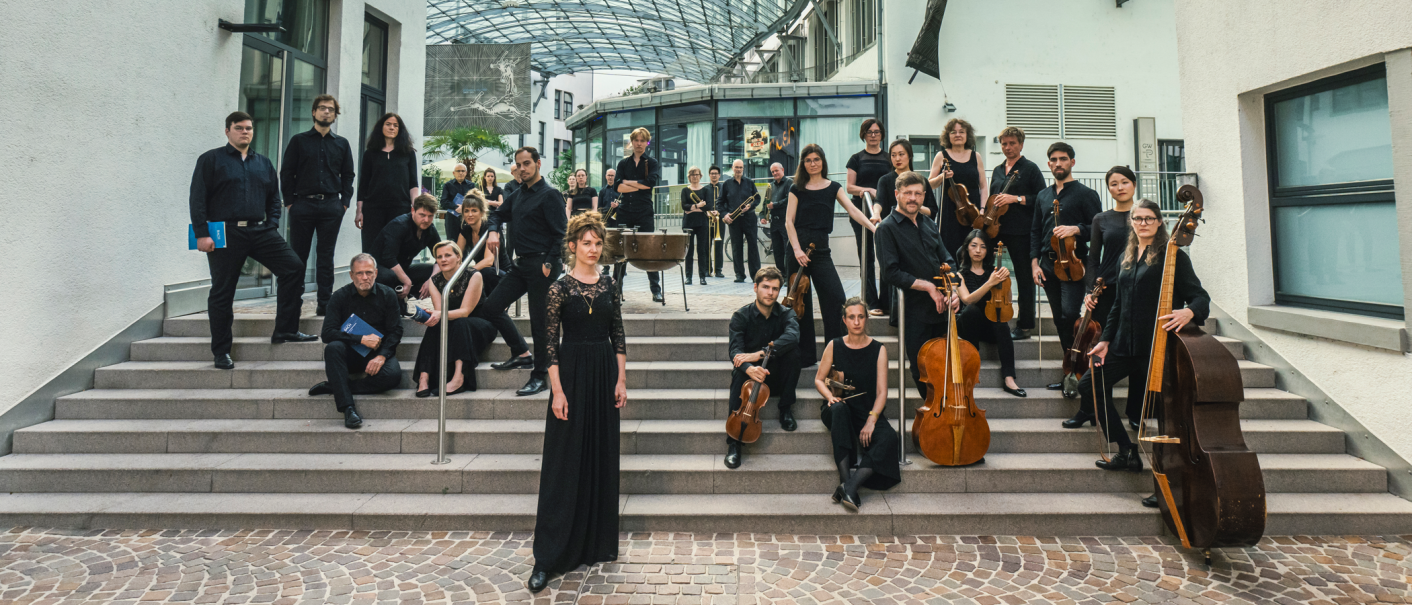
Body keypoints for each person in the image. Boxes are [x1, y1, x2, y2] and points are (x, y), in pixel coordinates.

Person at [526, 211, 627, 593]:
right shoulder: (560, 289)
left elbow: (618, 334)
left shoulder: (609, 285)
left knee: (600, 454)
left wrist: (621, 380)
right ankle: (546, 557)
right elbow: (548, 344)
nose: (593, 249)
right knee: (563, 462)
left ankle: (594, 543)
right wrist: (557, 390)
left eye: (598, 243)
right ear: (572, 246)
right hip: (569, 373)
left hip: (603, 372)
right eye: (586, 242)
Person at [1082, 200, 1210, 498]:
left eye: (1148, 218)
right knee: (1090, 385)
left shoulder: (1172, 254)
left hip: (1159, 347)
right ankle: (1126, 451)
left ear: (1158, 222)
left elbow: (1199, 296)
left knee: (1165, 416)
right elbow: (1117, 304)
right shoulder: (1127, 256)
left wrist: (1189, 312)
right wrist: (1105, 340)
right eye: (1137, 218)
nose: (1142, 223)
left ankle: (1168, 484)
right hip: (1125, 345)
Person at [190, 111, 314, 370]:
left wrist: (271, 224)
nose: (245, 132)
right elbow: (198, 198)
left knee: (293, 267)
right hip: (225, 232)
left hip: (260, 231)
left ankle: (286, 330)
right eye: (239, 128)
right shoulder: (211, 160)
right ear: (227, 131)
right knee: (223, 291)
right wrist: (202, 234)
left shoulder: (264, 163)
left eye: (248, 128)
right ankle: (221, 351)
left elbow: (273, 198)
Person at [483, 147, 568, 397]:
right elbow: (496, 215)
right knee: (491, 307)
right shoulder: (518, 194)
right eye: (519, 164)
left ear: (538, 164)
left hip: (542, 265)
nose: (522, 168)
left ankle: (540, 375)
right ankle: (521, 352)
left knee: (540, 323)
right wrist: (493, 231)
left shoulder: (550, 194)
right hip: (521, 265)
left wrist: (550, 264)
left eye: (527, 163)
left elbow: (561, 235)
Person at [785, 144, 876, 369]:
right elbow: (789, 221)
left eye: (817, 159)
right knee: (800, 305)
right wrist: (796, 250)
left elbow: (853, 211)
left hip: (821, 250)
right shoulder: (796, 188)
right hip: (797, 250)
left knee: (836, 299)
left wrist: (874, 228)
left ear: (823, 162)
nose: (813, 163)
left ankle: (833, 353)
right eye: (808, 160)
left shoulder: (833, 187)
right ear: (803, 164)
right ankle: (806, 356)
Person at [1064, 169, 1139, 430]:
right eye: (1114, 184)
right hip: (1106, 291)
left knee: (1136, 353)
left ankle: (1136, 413)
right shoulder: (1101, 218)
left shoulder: (1144, 215)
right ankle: (1088, 409)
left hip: (1136, 291)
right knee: (1095, 352)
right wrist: (1088, 292)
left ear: (1134, 185)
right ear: (1108, 189)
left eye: (1125, 182)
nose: (1120, 187)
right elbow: (1093, 259)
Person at [875, 171, 960, 391]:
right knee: (922, 368)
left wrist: (954, 290)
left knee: (946, 365)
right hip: (913, 311)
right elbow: (890, 272)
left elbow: (948, 259)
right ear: (897, 194)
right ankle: (933, 415)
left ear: (924, 197)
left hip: (942, 309)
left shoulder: (929, 223)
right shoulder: (886, 228)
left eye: (918, 194)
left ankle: (948, 412)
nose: (913, 198)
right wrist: (928, 287)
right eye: (907, 193)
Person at [814, 297, 900, 511]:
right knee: (840, 409)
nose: (857, 322)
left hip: (867, 409)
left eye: (861, 316)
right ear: (844, 320)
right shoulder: (834, 345)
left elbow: (882, 392)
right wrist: (829, 397)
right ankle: (846, 480)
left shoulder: (879, 350)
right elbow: (818, 379)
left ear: (866, 319)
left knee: (889, 437)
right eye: (851, 317)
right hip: (837, 408)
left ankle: (849, 486)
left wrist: (872, 420)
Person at [1029, 142, 1102, 392]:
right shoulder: (1043, 195)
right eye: (1053, 159)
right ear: (1049, 164)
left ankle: (1083, 369)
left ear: (1072, 162)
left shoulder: (1086, 194)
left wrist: (1077, 229)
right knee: (1060, 321)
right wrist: (1034, 264)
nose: (1058, 163)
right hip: (1047, 265)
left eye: (1063, 159)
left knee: (1070, 315)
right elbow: (1036, 231)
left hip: (1073, 265)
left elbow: (1098, 228)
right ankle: (1070, 372)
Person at [281, 94, 356, 317]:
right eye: (322, 108)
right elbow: (286, 172)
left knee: (326, 256)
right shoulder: (299, 140)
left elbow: (348, 175)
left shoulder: (342, 144)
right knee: (298, 256)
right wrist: (290, 203)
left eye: (330, 109)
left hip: (332, 206)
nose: (326, 112)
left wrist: (344, 203)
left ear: (335, 115)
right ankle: (295, 300)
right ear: (313, 112)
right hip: (302, 205)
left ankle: (325, 303)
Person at [310, 253, 403, 429]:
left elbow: (395, 331)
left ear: (376, 272)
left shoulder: (388, 294)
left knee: (392, 376)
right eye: (359, 273)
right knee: (332, 348)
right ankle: (348, 409)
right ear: (351, 275)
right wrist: (360, 339)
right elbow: (327, 333)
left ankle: (337, 386)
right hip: (350, 353)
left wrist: (381, 357)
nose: (365, 277)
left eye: (369, 272)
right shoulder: (339, 296)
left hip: (376, 352)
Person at [724, 267, 802, 469]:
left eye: (775, 289)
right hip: (750, 380)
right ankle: (733, 442)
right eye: (765, 287)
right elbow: (735, 352)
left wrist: (760, 354)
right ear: (755, 287)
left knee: (794, 354)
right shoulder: (741, 316)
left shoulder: (786, 313)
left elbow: (793, 337)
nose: (770, 293)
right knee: (738, 371)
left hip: (775, 375)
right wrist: (750, 368)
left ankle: (785, 409)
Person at [454, 189, 533, 370]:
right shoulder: (465, 229)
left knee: (484, 273)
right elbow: (458, 255)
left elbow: (489, 261)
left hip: (502, 276)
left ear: (482, 212)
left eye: (474, 211)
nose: (470, 214)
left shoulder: (489, 229)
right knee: (476, 280)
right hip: (483, 275)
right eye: (466, 211)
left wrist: (465, 272)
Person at [985, 127, 1048, 340]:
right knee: (984, 270)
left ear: (1021, 145)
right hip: (996, 229)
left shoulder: (1030, 168)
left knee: (1023, 278)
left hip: (1021, 231)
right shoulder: (996, 169)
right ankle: (987, 318)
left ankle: (1025, 325)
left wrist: (1016, 198)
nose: (1008, 147)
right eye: (1004, 144)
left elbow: (1041, 198)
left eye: (1012, 143)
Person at [413, 242, 498, 397]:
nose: (443, 260)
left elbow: (465, 312)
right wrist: (429, 316)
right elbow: (440, 312)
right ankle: (424, 377)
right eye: (439, 257)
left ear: (458, 257)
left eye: (448, 255)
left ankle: (459, 378)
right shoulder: (434, 280)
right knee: (434, 325)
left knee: (459, 322)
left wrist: (438, 314)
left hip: (479, 324)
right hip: (454, 324)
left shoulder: (473, 275)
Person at [953, 230, 1026, 397]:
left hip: (989, 328)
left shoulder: (994, 272)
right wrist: (990, 282)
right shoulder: (959, 275)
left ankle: (1009, 378)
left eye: (983, 247)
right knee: (971, 310)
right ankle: (972, 364)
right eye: (974, 246)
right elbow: (967, 300)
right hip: (968, 326)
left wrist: (1004, 282)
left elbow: (1007, 301)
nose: (978, 250)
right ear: (967, 249)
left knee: (1000, 320)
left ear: (987, 251)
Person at [613, 127, 664, 302]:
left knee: (649, 250)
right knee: (621, 251)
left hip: (644, 212)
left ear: (647, 143)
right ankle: (616, 290)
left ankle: (656, 290)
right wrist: (638, 184)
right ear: (632, 142)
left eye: (643, 141)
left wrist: (629, 182)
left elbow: (650, 184)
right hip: (625, 211)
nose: (639, 143)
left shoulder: (652, 162)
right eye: (637, 140)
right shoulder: (623, 164)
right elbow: (617, 187)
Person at [845, 119, 890, 316]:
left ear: (882, 134)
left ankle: (887, 300)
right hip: (861, 211)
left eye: (877, 132)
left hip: (885, 212)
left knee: (887, 256)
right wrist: (868, 190)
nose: (873, 135)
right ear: (863, 134)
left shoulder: (889, 158)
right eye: (869, 132)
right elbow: (849, 187)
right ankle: (872, 301)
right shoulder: (856, 158)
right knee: (867, 256)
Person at [356, 112, 419, 252]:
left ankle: (395, 275)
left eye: (395, 125)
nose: (392, 128)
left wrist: (416, 207)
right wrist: (359, 210)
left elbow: (413, 184)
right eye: (388, 124)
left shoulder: (408, 153)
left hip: (400, 208)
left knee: (396, 248)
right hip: (373, 209)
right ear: (381, 127)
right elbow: (363, 184)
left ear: (399, 130)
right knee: (371, 248)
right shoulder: (370, 153)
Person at [928, 118, 988, 255]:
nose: (958, 135)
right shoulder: (941, 156)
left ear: (967, 135)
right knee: (950, 247)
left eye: (962, 132)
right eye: (953, 132)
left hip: (973, 211)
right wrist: (942, 177)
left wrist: (983, 211)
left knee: (972, 249)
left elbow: (983, 186)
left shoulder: (976, 156)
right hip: (950, 211)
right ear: (948, 136)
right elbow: (929, 184)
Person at [371, 194, 440, 304]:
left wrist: (431, 280)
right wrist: (407, 281)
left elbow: (441, 255)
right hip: (379, 269)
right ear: (413, 210)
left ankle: (406, 297)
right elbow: (389, 259)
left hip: (402, 268)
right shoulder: (399, 225)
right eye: (422, 215)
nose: (426, 220)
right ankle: (393, 303)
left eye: (430, 216)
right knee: (390, 276)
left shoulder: (430, 229)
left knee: (437, 272)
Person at [718, 159, 762, 283]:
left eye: (741, 167)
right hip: (734, 220)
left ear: (743, 169)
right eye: (736, 167)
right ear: (732, 168)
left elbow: (757, 198)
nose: (738, 169)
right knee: (736, 247)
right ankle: (739, 275)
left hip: (749, 219)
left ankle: (755, 275)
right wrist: (725, 215)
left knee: (753, 246)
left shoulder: (749, 183)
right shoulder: (726, 184)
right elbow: (720, 203)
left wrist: (751, 206)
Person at [876, 139, 939, 221]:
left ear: (910, 156)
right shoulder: (884, 180)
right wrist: (876, 214)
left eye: (901, 154)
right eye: (893, 155)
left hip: (917, 227)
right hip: (893, 227)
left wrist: (915, 206)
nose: (897, 159)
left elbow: (932, 210)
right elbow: (879, 202)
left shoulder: (921, 180)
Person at [680, 166, 711, 285]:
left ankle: (702, 277)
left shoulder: (705, 190)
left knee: (702, 250)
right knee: (689, 251)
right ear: (689, 177)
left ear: (700, 176)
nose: (694, 177)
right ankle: (688, 277)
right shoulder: (685, 190)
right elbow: (684, 207)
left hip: (702, 223)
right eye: (692, 175)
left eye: (697, 174)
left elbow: (708, 207)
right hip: (688, 223)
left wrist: (692, 208)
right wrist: (698, 206)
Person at [765, 162, 793, 276]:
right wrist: (763, 216)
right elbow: (766, 202)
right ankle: (781, 274)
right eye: (772, 172)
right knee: (777, 250)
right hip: (774, 222)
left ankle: (788, 275)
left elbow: (789, 199)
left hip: (785, 221)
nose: (775, 173)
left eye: (776, 170)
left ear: (783, 170)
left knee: (787, 249)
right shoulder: (770, 185)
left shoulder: (789, 183)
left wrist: (775, 205)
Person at [440, 163, 476, 246]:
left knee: (467, 243)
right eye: (458, 171)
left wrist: (463, 208)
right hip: (452, 219)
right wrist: (456, 207)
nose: (461, 173)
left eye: (463, 171)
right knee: (452, 243)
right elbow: (443, 201)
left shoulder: (471, 185)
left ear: (466, 173)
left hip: (467, 218)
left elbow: (475, 200)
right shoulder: (447, 185)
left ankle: (465, 259)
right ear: (454, 173)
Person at [707, 166, 726, 278]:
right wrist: (709, 212)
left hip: (719, 221)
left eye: (716, 173)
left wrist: (719, 212)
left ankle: (718, 270)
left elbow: (725, 203)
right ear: (709, 175)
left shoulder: (723, 188)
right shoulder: (705, 189)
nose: (714, 175)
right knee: (707, 245)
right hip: (707, 220)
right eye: (712, 173)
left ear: (719, 175)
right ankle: (707, 269)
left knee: (718, 246)